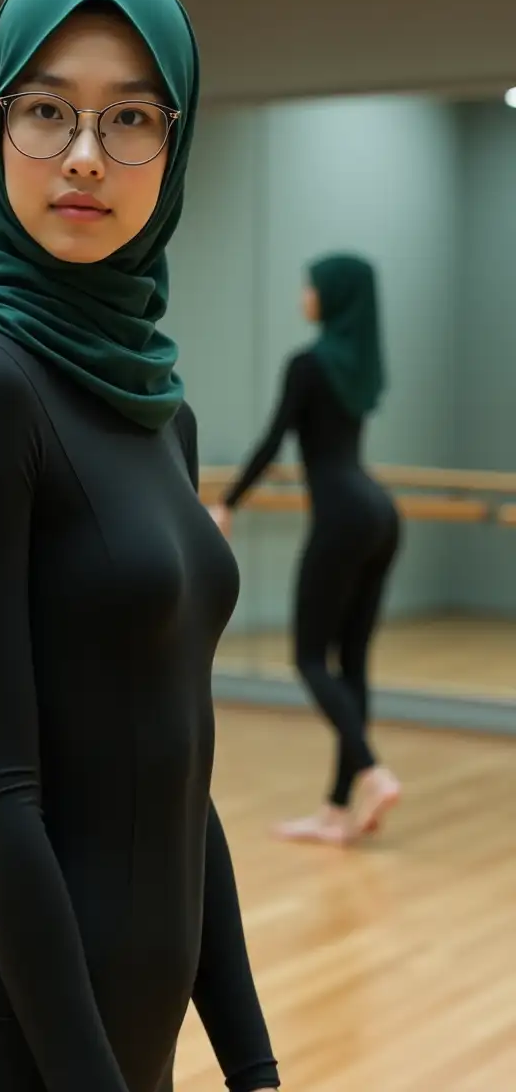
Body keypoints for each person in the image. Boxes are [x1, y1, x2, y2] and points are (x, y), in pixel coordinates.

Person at [0, 0, 280, 1092]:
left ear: (172, 144)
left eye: (128, 115)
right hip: (0, 1046)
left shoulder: (160, 406)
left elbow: (180, 783)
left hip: (122, 1047)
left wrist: (252, 1060)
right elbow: (1, 799)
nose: (84, 154)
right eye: (46, 110)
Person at [211, 254, 402, 846]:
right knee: (353, 664)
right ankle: (336, 810)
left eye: (310, 286)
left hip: (343, 516)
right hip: (381, 513)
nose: (304, 295)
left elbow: (274, 442)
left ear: (332, 296)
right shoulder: (358, 369)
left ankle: (371, 771)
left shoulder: (309, 364)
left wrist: (228, 502)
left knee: (310, 658)